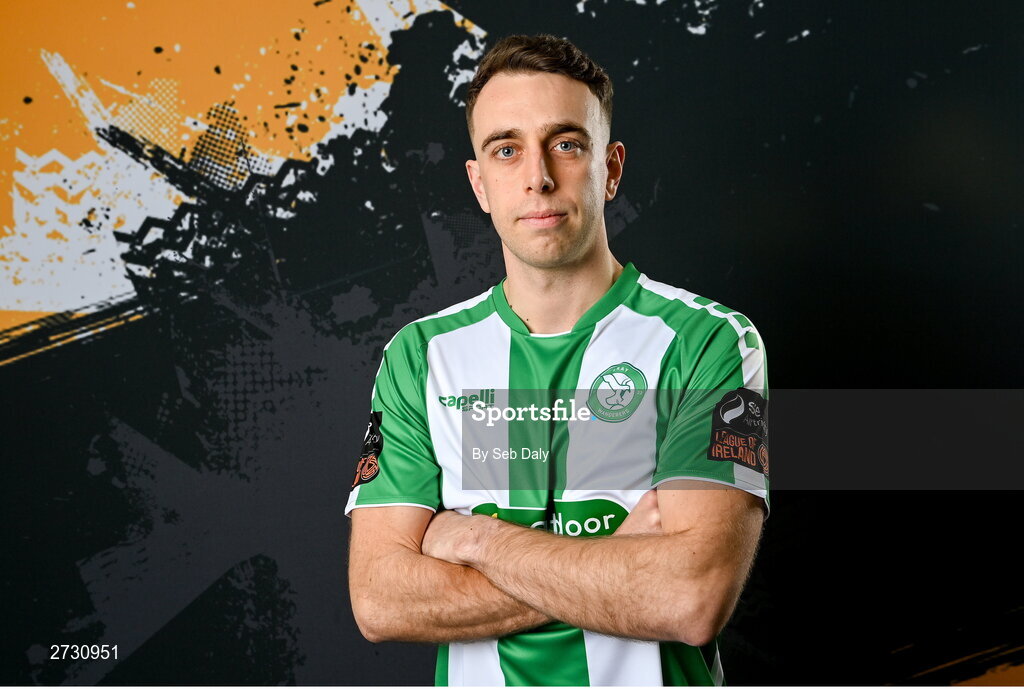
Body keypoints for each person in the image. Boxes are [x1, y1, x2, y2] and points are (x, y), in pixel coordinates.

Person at [347, 34, 769, 686]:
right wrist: (621, 566)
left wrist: (474, 541)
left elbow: (689, 597)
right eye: (506, 148)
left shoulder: (710, 342)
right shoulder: (421, 355)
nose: (538, 176)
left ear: (612, 167)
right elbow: (379, 598)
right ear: (479, 182)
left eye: (567, 144)